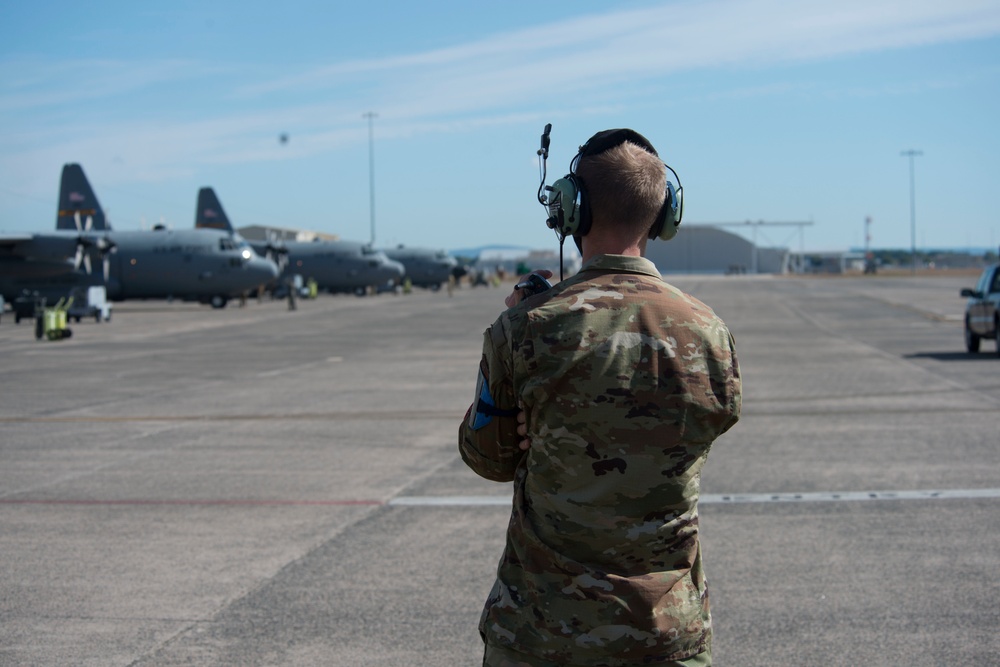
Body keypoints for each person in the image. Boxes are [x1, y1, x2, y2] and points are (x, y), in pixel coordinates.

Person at [458, 128, 741, 667]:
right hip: (665, 636)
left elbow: (487, 457)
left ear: (571, 209)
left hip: (543, 636)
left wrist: (520, 370)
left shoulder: (525, 329)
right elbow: (712, 424)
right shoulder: (710, 332)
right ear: (664, 216)